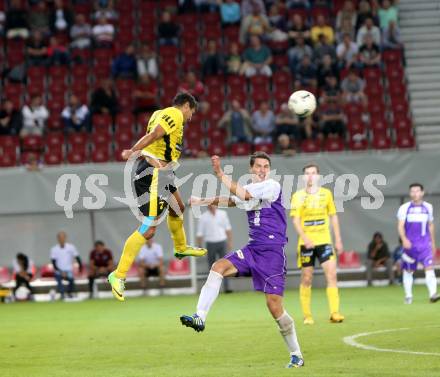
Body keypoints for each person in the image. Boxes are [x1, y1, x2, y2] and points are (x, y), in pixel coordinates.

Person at [180, 153, 305, 369]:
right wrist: (203, 201)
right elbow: (231, 200)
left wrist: (219, 174)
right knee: (217, 267)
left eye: (266, 166)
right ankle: (199, 316)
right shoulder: (251, 189)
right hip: (252, 249)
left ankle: (296, 354)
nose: (262, 170)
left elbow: (243, 195)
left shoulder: (272, 186)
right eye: (258, 166)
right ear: (251, 169)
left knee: (274, 307)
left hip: (272, 253)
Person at [107, 92, 207, 302]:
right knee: (149, 228)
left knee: (178, 207)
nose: (190, 118)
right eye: (192, 113)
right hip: (152, 173)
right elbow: (155, 134)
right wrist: (133, 151)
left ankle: (180, 247)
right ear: (187, 106)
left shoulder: (160, 113)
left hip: (164, 172)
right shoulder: (175, 114)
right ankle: (119, 274)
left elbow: (157, 138)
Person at [290, 163, 345, 324]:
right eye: (307, 173)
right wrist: (305, 238)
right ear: (303, 177)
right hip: (306, 243)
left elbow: (333, 216)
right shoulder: (298, 196)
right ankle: (307, 315)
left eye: (313, 173)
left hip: (325, 241)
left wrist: (338, 239)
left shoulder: (326, 194)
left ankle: (335, 313)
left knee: (332, 275)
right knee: (307, 278)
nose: (310, 176)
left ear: (319, 176)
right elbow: (295, 220)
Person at [397, 183, 439, 304]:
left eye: (417, 191)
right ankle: (408, 296)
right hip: (410, 245)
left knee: (429, 268)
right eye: (412, 191)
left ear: (422, 192)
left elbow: (430, 225)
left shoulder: (428, 207)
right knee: (408, 271)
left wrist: (433, 243)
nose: (415, 194)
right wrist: (404, 239)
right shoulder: (404, 208)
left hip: (425, 245)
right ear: (410, 193)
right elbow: (400, 225)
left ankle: (433, 294)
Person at [197, 204, 233, 293]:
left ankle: (227, 287)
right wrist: (200, 246)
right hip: (210, 243)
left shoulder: (223, 214)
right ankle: (212, 289)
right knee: (212, 267)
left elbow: (228, 228)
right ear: (208, 206)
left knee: (225, 265)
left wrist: (229, 241)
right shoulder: (203, 217)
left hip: (222, 241)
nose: (212, 206)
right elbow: (199, 233)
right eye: (210, 205)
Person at [50, 231, 83, 300]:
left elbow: (77, 257)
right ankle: (62, 295)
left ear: (65, 238)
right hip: (58, 271)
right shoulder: (54, 249)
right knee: (58, 278)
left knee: (71, 278)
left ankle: (69, 293)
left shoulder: (71, 247)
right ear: (58, 239)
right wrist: (61, 272)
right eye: (60, 238)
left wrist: (80, 268)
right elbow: (53, 262)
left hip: (69, 270)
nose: (61, 239)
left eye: (63, 237)